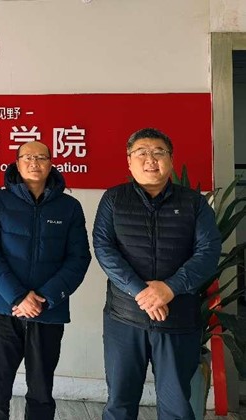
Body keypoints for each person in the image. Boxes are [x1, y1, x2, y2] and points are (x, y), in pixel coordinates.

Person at [93, 128, 222, 419]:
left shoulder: (194, 203)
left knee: (177, 407)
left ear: (171, 160)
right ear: (129, 161)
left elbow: (208, 252)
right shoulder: (113, 200)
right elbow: (104, 249)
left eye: (158, 152)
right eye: (141, 153)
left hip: (178, 320)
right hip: (125, 318)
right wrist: (141, 292)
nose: (150, 159)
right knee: (119, 403)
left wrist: (169, 288)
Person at [0, 140, 91, 420]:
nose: (34, 163)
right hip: (5, 308)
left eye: (41, 157)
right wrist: (18, 296)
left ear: (51, 164)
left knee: (41, 391)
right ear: (17, 164)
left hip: (48, 311)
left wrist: (44, 299)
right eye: (27, 157)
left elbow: (79, 259)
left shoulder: (69, 207)